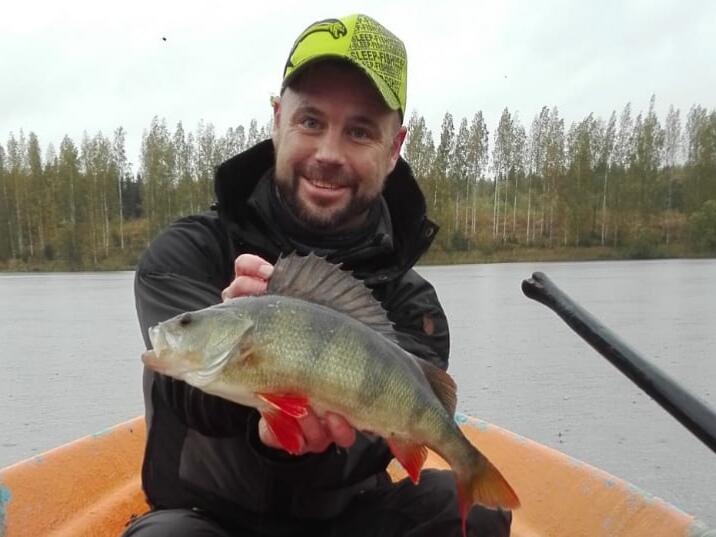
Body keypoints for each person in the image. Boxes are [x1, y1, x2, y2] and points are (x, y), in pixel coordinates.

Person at [124, 12, 512, 537]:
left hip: (347, 522)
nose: (329, 154)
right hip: (209, 519)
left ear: (393, 148)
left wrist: (302, 434)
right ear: (277, 119)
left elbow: (372, 446)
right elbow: (185, 393)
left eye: (359, 131)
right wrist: (261, 389)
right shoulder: (189, 252)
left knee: (472, 518)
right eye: (310, 121)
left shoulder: (414, 308)